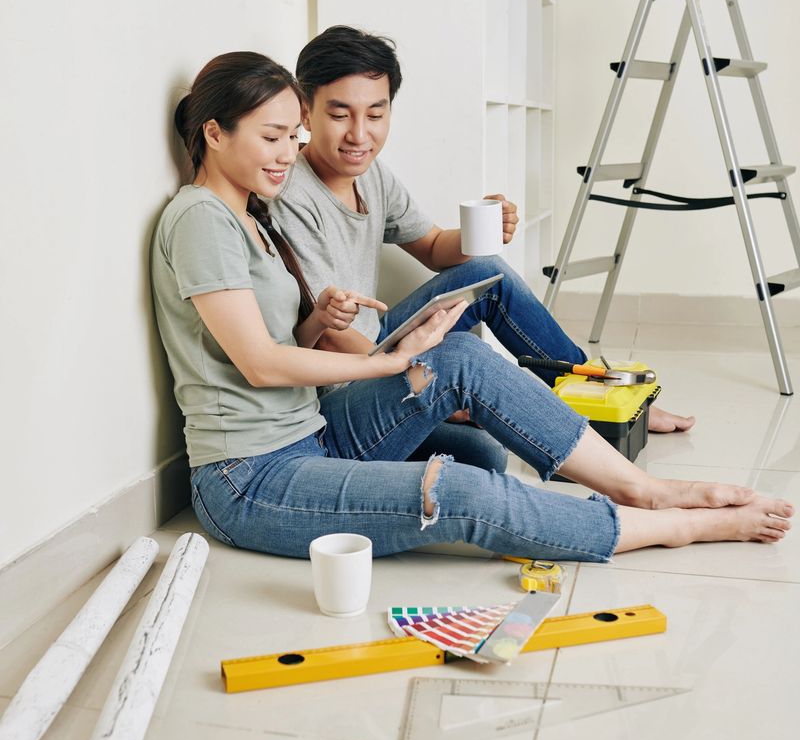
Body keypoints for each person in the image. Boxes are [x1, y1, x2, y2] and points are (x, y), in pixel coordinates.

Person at [150, 50, 791, 563]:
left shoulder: (250, 213)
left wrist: (321, 321)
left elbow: (278, 337)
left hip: (313, 432)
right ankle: (669, 526)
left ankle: (641, 487)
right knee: (456, 487)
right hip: (251, 477)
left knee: (465, 384)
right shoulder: (203, 219)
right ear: (214, 133)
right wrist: (390, 362)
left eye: (291, 137)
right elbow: (260, 365)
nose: (288, 153)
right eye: (273, 137)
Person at [270, 25, 695, 475]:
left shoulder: (371, 175)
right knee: (486, 455)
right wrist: (415, 371)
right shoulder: (291, 194)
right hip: (343, 377)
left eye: (375, 114)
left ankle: (600, 399)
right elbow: (329, 336)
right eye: (340, 115)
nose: (360, 134)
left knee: (487, 272)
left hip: (379, 341)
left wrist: (483, 231)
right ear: (305, 112)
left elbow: (434, 247)